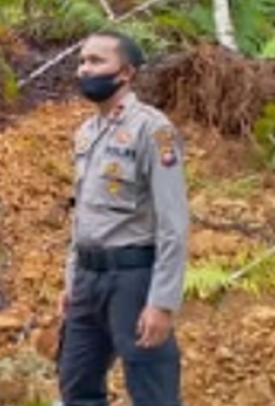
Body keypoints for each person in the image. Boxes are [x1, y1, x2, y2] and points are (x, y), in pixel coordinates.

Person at [57, 30, 189, 406]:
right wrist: (71, 279)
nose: (85, 69)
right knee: (76, 385)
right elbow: (83, 212)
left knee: (151, 389)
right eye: (82, 61)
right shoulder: (86, 133)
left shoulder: (153, 130)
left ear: (126, 72)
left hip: (132, 278)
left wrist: (163, 302)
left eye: (97, 61)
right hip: (87, 279)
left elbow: (173, 222)